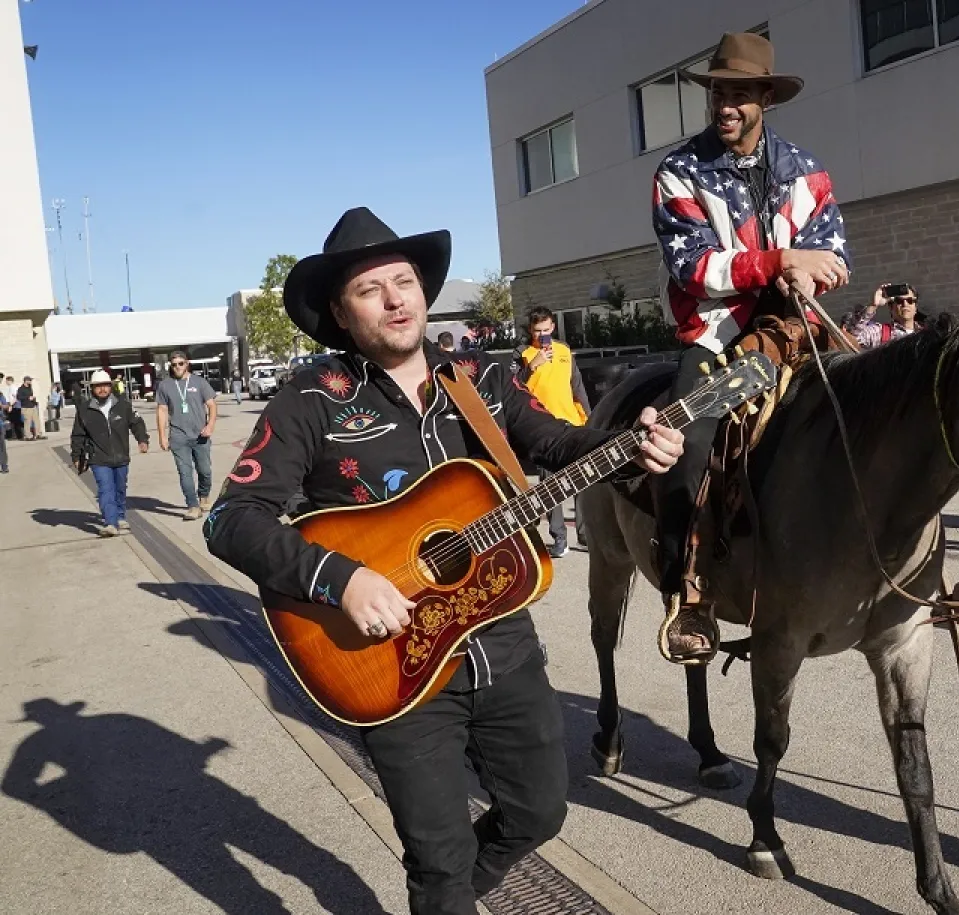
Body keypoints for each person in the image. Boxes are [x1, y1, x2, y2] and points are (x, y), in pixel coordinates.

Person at [205, 207, 683, 914]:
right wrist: (341, 579)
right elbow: (230, 520)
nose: (397, 298)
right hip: (394, 668)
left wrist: (629, 447)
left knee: (539, 812)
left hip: (503, 644)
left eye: (405, 281)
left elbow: (554, 443)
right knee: (437, 858)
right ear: (340, 312)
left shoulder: (479, 379)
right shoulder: (308, 401)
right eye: (372, 289)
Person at [651, 31, 850, 664]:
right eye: (718, 93)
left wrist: (811, 271)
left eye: (739, 93)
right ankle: (689, 592)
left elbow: (836, 257)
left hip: (799, 331)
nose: (726, 105)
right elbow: (693, 268)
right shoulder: (679, 172)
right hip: (716, 334)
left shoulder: (808, 171)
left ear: (765, 96)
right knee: (687, 440)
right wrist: (781, 261)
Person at [513, 306, 591, 557]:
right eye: (538, 331)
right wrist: (530, 367)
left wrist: (588, 418)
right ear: (530, 330)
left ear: (553, 327)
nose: (543, 335)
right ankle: (559, 538)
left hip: (571, 422)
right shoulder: (522, 354)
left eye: (546, 330)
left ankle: (585, 534)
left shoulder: (564, 351)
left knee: (580, 482)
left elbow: (576, 386)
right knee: (551, 487)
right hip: (542, 426)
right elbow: (512, 389)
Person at [70, 370, 149, 537]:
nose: (102, 389)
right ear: (92, 389)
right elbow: (78, 435)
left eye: (105, 386)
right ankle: (110, 523)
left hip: (121, 456)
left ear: (110, 386)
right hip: (98, 458)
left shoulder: (123, 405)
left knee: (120, 488)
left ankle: (120, 517)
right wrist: (76, 456)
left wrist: (142, 439)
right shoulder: (84, 410)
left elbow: (137, 423)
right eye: (98, 386)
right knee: (106, 490)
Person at [156, 350, 218, 521]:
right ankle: (192, 506)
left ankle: (204, 496)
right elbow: (161, 410)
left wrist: (210, 425)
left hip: (200, 435)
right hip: (178, 436)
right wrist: (162, 435)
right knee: (185, 473)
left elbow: (212, 405)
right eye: (174, 364)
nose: (177, 367)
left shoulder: (199, 382)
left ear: (187, 363)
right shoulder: (165, 385)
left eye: (180, 363)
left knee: (204, 470)